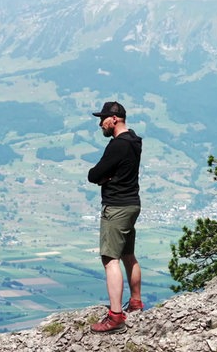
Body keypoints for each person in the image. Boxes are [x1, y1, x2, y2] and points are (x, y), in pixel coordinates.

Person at [87, 101, 144, 334]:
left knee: (110, 259)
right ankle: (136, 303)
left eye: (103, 119)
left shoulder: (117, 146)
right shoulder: (134, 141)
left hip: (116, 207)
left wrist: (104, 178)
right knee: (128, 254)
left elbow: (94, 174)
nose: (100, 123)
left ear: (114, 119)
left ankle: (115, 317)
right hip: (132, 204)